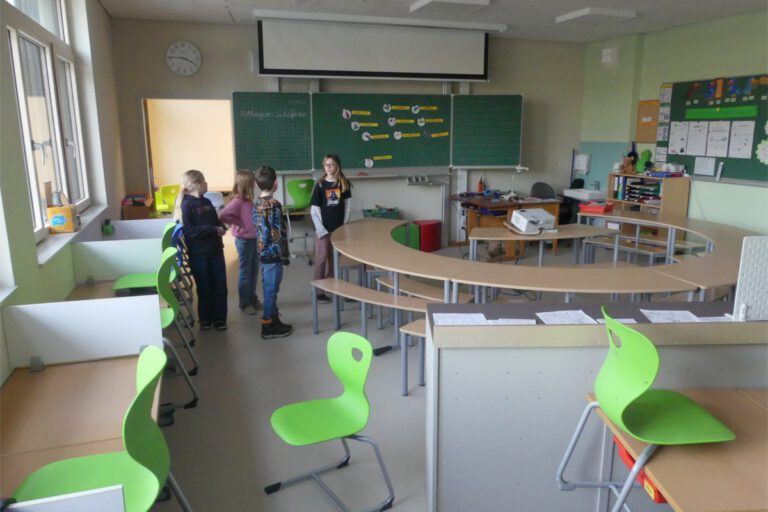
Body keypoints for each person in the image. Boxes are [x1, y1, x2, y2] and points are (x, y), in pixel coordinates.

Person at [175, 170, 228, 331]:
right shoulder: (187, 204)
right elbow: (189, 230)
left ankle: (220, 319)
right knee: (204, 287)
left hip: (216, 251)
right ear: (196, 184)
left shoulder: (206, 201)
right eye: (204, 181)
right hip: (199, 254)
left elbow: (215, 221)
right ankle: (205, 319)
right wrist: (212, 229)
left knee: (220, 286)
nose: (206, 183)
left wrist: (221, 227)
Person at [253, 166, 293, 339]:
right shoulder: (274, 205)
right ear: (276, 183)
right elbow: (279, 234)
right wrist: (284, 258)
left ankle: (274, 319)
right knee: (271, 291)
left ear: (257, 185)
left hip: (262, 255)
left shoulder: (257, 204)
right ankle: (268, 326)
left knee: (268, 288)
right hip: (273, 256)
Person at [310, 154, 351, 303]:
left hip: (338, 230)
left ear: (337, 166)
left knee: (335, 260)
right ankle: (318, 291)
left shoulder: (343, 183)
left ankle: (332, 286)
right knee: (321, 259)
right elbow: (314, 210)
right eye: (326, 164)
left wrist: (344, 226)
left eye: (332, 164)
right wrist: (321, 230)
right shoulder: (320, 185)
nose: (328, 167)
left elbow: (347, 207)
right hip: (323, 230)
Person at [219, 170, 261, 315]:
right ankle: (244, 303)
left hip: (254, 240)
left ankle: (252, 299)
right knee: (245, 272)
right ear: (247, 184)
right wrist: (237, 222)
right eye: (252, 182)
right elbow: (222, 215)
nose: (255, 184)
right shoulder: (237, 201)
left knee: (254, 271)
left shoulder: (249, 201)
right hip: (244, 241)